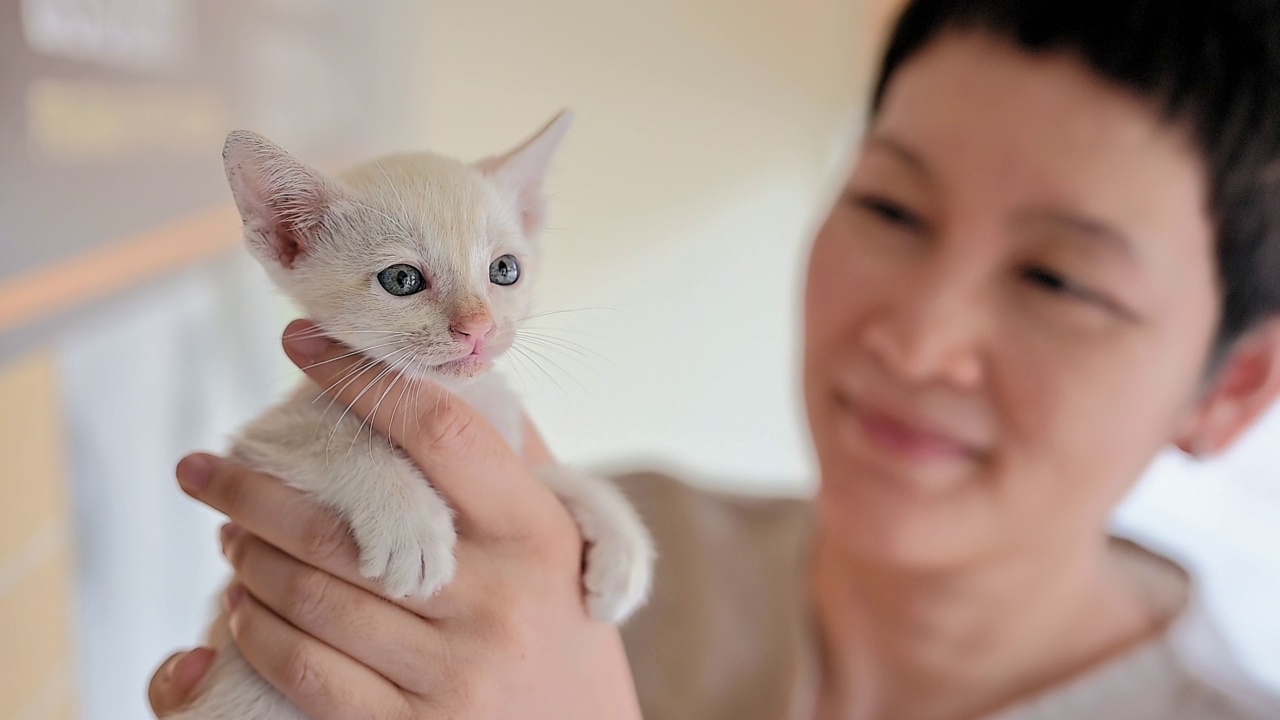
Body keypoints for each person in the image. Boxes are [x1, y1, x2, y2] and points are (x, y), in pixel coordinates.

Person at [150, 0, 1280, 717]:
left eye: (1057, 280)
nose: (917, 340)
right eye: (889, 206)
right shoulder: (571, 554)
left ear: (1230, 389)